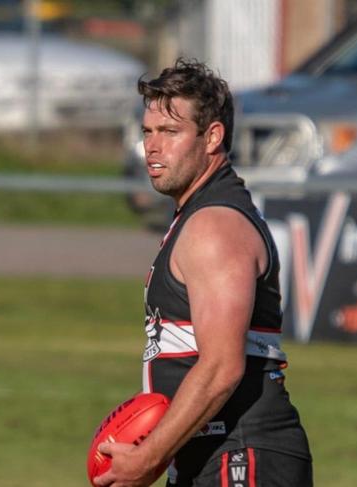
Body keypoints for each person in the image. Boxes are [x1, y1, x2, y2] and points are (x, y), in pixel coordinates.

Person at [94, 59, 312, 487]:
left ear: (212, 137)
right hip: (211, 453)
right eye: (148, 132)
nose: (152, 148)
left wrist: (147, 459)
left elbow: (221, 368)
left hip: (241, 453)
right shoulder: (195, 216)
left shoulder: (215, 227)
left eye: (170, 133)